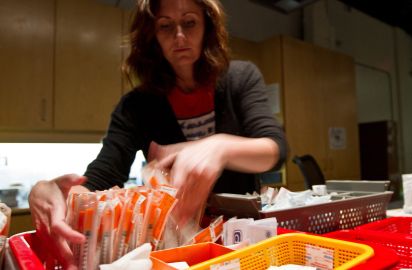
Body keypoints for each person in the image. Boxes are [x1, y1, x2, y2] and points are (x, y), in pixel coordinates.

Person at [28, 0, 287, 268]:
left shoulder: (240, 78)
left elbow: (275, 149)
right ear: (152, 36)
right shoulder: (136, 106)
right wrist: (54, 192)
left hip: (242, 243)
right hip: (174, 251)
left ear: (207, 27)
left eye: (189, 23)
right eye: (165, 26)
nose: (179, 37)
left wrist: (220, 147)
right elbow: (102, 177)